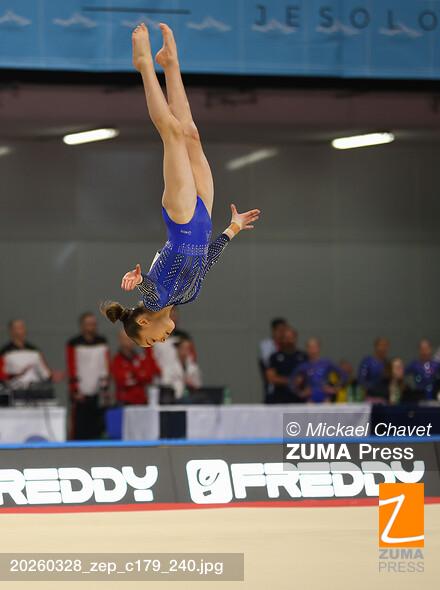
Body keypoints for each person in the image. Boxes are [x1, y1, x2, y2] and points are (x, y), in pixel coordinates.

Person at [101, 23, 260, 347]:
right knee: (190, 134)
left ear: (143, 321)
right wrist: (233, 229)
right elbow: (205, 262)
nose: (159, 341)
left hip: (183, 219)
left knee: (172, 135)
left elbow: (148, 288)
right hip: (203, 218)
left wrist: (138, 279)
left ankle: (144, 65)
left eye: (150, 341)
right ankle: (170, 63)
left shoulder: (155, 301)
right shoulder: (186, 297)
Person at [66, 312, 110, 440]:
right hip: (81, 394)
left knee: (98, 428)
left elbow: (105, 365)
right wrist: (74, 389)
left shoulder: (102, 342)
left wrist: (105, 388)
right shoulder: (74, 343)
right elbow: (71, 367)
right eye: (89, 324)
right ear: (82, 326)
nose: (92, 326)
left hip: (98, 392)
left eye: (94, 324)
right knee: (80, 428)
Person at [0, 319, 63, 390]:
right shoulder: (4, 352)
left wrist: (52, 376)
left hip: (34, 390)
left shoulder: (34, 350)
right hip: (14, 390)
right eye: (18, 328)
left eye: (22, 327)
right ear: (11, 331)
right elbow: (2, 375)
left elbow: (44, 371)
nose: (21, 330)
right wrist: (16, 375)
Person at [111, 330, 160, 405]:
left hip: (141, 400)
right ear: (121, 340)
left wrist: (134, 375)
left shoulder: (139, 358)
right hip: (125, 401)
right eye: (126, 339)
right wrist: (138, 375)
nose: (130, 341)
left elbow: (148, 377)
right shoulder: (117, 361)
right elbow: (121, 381)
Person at [291, 338, 346, 403]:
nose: (312, 350)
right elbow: (290, 381)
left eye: (314, 347)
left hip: (325, 398)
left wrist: (335, 389)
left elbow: (344, 375)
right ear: (306, 349)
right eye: (310, 347)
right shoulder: (303, 366)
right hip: (310, 398)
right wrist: (300, 393)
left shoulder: (326, 363)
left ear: (319, 348)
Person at [265, 327, 307, 403]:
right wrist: (290, 381)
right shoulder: (274, 357)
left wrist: (302, 379)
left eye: (291, 338)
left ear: (295, 338)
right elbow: (270, 378)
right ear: (282, 339)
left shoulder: (303, 356)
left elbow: (310, 373)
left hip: (299, 398)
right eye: (286, 338)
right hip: (280, 398)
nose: (289, 341)